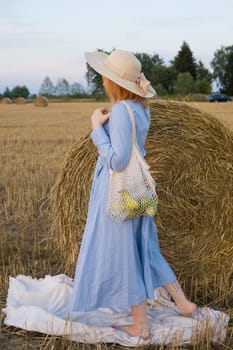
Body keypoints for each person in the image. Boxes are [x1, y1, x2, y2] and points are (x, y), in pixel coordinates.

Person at [70, 50, 196, 339]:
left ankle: (140, 324)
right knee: (147, 249)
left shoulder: (122, 113)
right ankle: (184, 304)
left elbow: (118, 160)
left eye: (106, 76)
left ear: (113, 82)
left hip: (119, 191)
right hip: (138, 190)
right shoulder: (141, 108)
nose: (103, 79)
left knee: (125, 254)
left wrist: (96, 129)